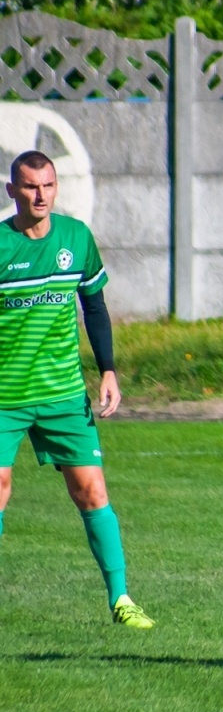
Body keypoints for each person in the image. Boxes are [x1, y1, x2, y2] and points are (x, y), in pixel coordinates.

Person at [0, 151, 150, 628]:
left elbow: (95, 306)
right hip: (5, 396)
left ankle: (121, 599)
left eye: (47, 185)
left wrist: (107, 370)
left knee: (91, 491)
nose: (39, 195)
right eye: (29, 186)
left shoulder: (76, 238)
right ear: (12, 191)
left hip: (64, 393)